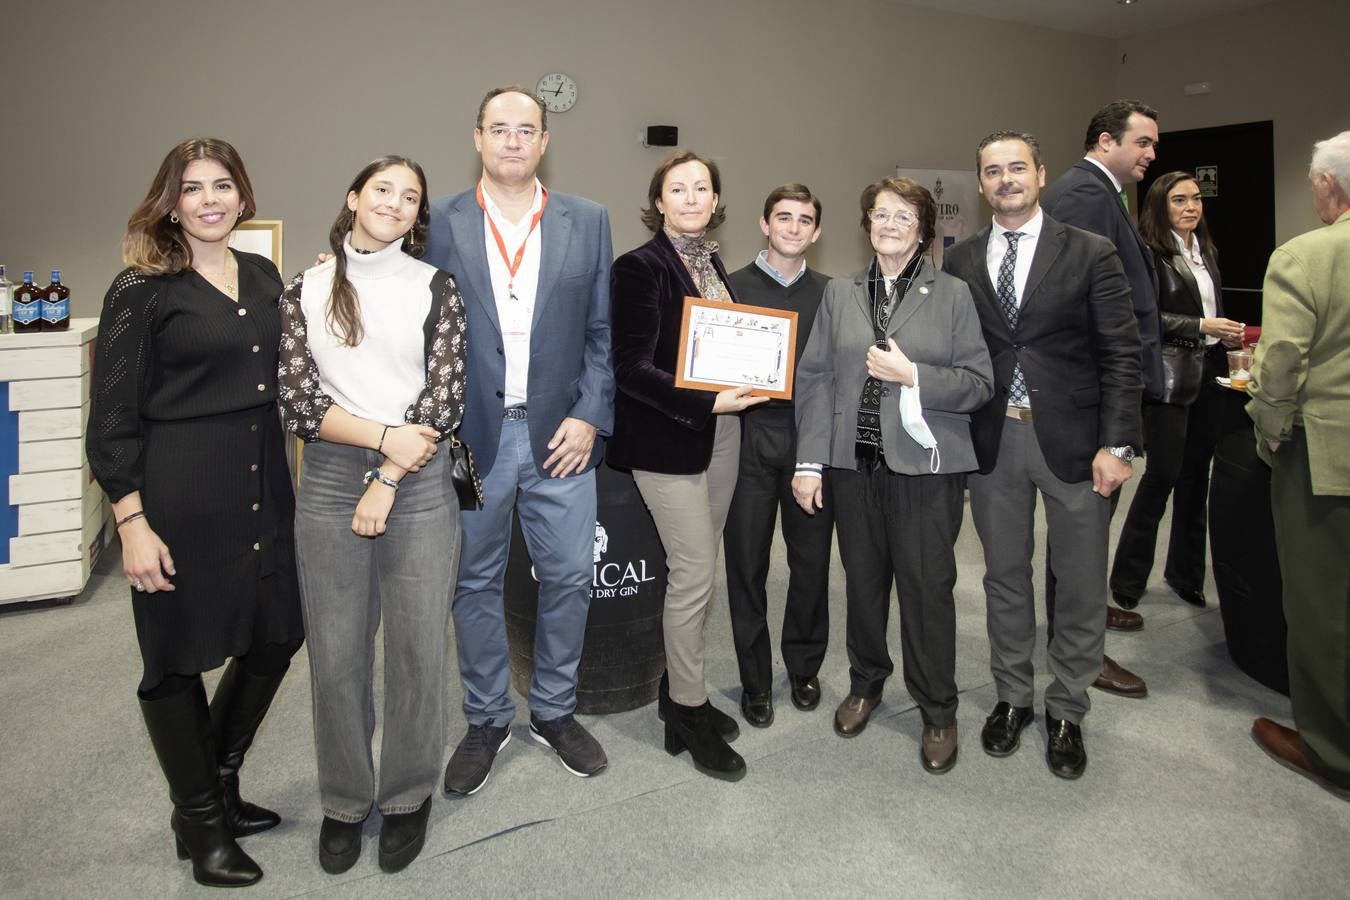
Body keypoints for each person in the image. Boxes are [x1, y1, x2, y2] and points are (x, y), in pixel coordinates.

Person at [87, 137, 304, 888]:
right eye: (191, 188)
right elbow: (110, 418)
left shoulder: (264, 274)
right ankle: (204, 825)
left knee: (278, 634)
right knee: (176, 656)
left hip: (265, 483)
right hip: (180, 492)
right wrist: (131, 521)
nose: (209, 199)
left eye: (222, 185)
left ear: (244, 197)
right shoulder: (141, 288)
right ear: (170, 202)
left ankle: (217, 784)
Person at [278, 156, 466, 874]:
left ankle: (408, 794)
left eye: (409, 196)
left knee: (418, 650)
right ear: (353, 197)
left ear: (418, 216)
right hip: (328, 478)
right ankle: (344, 799)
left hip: (416, 482)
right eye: (382, 189)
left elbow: (443, 398)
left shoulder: (434, 287)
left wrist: (388, 472)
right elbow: (298, 402)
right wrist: (379, 442)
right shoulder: (308, 287)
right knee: (336, 652)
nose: (394, 201)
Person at [425, 86, 614, 794]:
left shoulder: (587, 221)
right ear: (476, 137)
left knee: (567, 575)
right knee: (472, 580)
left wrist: (590, 414)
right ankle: (486, 718)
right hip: (469, 441)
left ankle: (556, 710)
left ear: (543, 142)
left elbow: (600, 332)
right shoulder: (436, 220)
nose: (512, 140)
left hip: (560, 436)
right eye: (498, 128)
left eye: (525, 129)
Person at [944, 131, 1142, 780]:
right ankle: (1012, 698)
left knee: (1081, 582)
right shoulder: (963, 259)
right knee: (1004, 576)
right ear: (980, 184)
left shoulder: (1090, 250)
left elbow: (1121, 352)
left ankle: (1068, 709)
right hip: (994, 443)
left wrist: (1118, 444)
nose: (1006, 179)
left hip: (1078, 446)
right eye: (993, 170)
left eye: (1017, 168)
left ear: (1041, 174)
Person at [792, 177, 993, 773]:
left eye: (903, 216)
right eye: (879, 214)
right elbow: (816, 378)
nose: (888, 223)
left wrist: (915, 377)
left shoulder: (952, 293)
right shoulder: (843, 292)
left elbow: (981, 384)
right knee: (862, 582)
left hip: (925, 470)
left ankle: (937, 708)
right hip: (855, 467)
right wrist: (809, 461)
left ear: (924, 228)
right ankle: (866, 683)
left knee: (926, 587)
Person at [609, 150, 768, 781]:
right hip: (668, 441)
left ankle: (679, 696)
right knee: (695, 572)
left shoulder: (711, 264)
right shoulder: (639, 267)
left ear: (715, 200)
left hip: (721, 435)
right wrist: (708, 399)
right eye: (679, 188)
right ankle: (689, 709)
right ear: (658, 201)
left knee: (695, 575)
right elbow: (631, 369)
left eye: (703, 188)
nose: (692, 197)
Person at [1042, 98, 1161, 694]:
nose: (1151, 155)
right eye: (1142, 143)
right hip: (1087, 397)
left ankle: (1082, 620)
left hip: (1095, 393)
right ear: (1105, 142)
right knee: (1081, 529)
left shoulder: (1101, 193)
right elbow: (1087, 308)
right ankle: (1076, 643)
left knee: (1087, 527)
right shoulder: (1086, 195)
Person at [1248, 130, 1350, 800]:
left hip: (1326, 455)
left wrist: (1269, 429)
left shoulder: (1307, 256)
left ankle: (1331, 748)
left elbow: (1282, 361)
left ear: (1329, 185)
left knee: (1324, 604)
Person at [723, 184, 833, 727]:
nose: (793, 227)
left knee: (811, 563)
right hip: (744, 444)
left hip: (811, 446)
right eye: (782, 217)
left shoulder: (833, 294)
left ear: (816, 231)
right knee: (746, 567)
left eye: (804, 220)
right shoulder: (729, 288)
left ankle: (805, 667)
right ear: (764, 224)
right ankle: (755, 680)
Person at [1110, 172, 1244, 608]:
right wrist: (1201, 326)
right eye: (1179, 200)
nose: (1191, 207)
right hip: (1169, 376)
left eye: (1196, 198)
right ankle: (1127, 581)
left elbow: (1211, 307)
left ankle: (1185, 573)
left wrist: (1222, 333)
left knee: (1195, 480)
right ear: (1159, 206)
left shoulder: (1205, 249)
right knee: (1162, 476)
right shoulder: (1149, 253)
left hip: (1210, 372)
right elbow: (1142, 316)